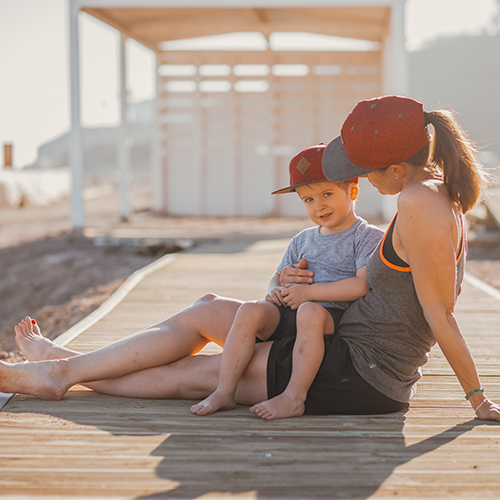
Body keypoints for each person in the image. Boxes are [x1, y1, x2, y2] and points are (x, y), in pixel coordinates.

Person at [3, 95, 500, 421]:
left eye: (367, 172)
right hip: (341, 333)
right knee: (208, 308)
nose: (366, 180)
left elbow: (440, 311)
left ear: (395, 166)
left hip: (362, 369)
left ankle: (59, 374)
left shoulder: (417, 203)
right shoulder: (435, 194)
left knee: (200, 375)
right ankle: (65, 366)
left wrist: (476, 398)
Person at [190, 144, 383, 419]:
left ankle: (294, 397)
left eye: (327, 194)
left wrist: (309, 294)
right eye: (308, 200)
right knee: (250, 310)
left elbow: (361, 285)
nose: (319, 205)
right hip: (291, 308)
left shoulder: (366, 237)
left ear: (352, 191)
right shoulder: (303, 239)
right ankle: (224, 390)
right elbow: (277, 276)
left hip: (329, 314)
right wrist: (274, 292)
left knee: (310, 312)